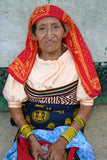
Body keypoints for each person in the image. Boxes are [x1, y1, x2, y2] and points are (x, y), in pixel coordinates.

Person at [3, 4, 101, 160]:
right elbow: (14, 107)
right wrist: (31, 139)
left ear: (65, 30)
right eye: (42, 28)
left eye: (55, 27)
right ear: (33, 34)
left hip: (68, 132)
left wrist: (63, 141)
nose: (49, 35)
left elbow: (86, 107)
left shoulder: (79, 63)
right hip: (32, 132)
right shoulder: (23, 65)